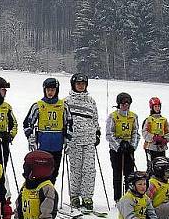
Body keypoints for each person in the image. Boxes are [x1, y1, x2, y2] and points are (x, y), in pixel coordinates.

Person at [64, 73, 100, 210]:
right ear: (73, 85)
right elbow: (65, 121)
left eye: (83, 84)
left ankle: (87, 197)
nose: (80, 86)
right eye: (78, 84)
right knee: (76, 170)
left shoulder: (91, 101)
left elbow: (95, 118)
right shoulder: (67, 101)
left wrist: (97, 132)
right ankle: (74, 196)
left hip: (89, 140)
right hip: (74, 141)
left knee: (89, 170)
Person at [22, 77, 66, 182]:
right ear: (44, 90)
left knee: (54, 172)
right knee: (41, 172)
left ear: (57, 90)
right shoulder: (38, 106)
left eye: (53, 90)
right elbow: (27, 123)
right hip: (43, 144)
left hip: (57, 145)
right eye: (48, 90)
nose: (50, 92)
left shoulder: (63, 106)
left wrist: (68, 139)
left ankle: (50, 194)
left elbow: (69, 123)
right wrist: (30, 138)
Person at [106, 92, 139, 203]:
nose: (125, 105)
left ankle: (128, 196)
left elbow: (135, 132)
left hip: (128, 149)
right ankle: (118, 198)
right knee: (117, 174)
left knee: (129, 174)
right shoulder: (113, 116)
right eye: (123, 103)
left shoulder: (133, 116)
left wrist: (132, 146)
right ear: (119, 104)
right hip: (117, 150)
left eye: (127, 103)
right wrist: (118, 146)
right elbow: (109, 134)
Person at [142, 97, 169, 166]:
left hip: (161, 147)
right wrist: (154, 137)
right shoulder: (148, 120)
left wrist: (165, 139)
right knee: (151, 166)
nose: (157, 108)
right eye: (155, 106)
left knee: (162, 165)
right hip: (150, 147)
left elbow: (168, 132)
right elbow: (144, 133)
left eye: (159, 106)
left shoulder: (164, 120)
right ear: (152, 107)